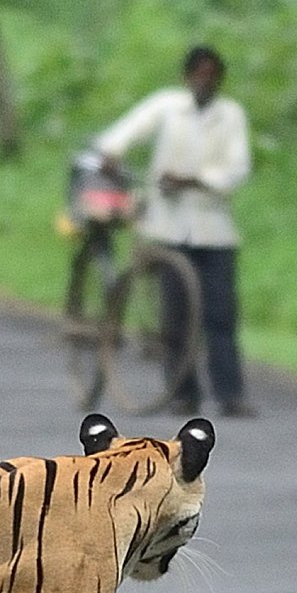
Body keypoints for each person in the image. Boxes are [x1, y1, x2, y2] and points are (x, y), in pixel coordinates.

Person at [95, 45, 257, 418]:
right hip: (169, 227)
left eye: (212, 75)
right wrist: (112, 152)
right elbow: (128, 131)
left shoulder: (230, 115)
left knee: (220, 315)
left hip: (214, 229)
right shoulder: (168, 107)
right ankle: (183, 392)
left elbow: (237, 167)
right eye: (199, 74)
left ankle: (229, 393)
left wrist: (196, 180)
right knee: (176, 316)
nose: (206, 82)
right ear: (187, 78)